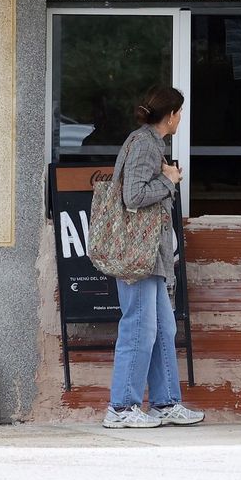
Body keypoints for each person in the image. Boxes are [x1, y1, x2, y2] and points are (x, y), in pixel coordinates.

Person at [102, 86, 205, 429]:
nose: (181, 120)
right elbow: (133, 196)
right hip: (139, 254)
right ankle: (121, 407)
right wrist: (169, 180)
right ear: (172, 114)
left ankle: (165, 402)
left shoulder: (147, 141)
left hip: (151, 254)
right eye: (181, 114)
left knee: (162, 327)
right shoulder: (146, 143)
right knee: (139, 329)